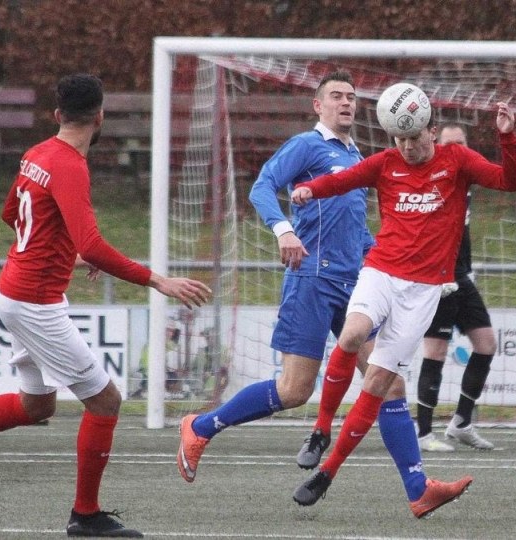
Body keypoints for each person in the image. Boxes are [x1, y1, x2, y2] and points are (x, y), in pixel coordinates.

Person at [0, 73, 212, 538]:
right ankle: (85, 516)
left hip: (14, 292)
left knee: (36, 405)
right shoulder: (69, 165)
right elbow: (93, 242)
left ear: (58, 115)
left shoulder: (37, 154)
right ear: (101, 116)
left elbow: (13, 216)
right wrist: (157, 280)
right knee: (105, 400)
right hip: (35, 302)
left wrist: (67, 252)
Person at [290, 94, 516, 519]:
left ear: (431, 131)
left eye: (414, 138)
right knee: (352, 334)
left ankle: (327, 473)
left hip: (424, 292)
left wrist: (507, 139)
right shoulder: (384, 164)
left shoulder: (457, 161)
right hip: (381, 272)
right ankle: (320, 428)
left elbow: (509, 181)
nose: (408, 147)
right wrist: (310, 188)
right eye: (400, 140)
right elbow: (342, 180)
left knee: (378, 383)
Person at [176, 70, 410, 485]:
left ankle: (417, 486)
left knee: (389, 384)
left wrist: (385, 262)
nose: (346, 103)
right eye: (336, 96)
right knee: (294, 390)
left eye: (352, 97)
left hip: (354, 287)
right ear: (318, 106)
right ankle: (202, 427)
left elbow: (356, 230)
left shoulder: (357, 159)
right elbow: (263, 187)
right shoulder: (307, 145)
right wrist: (284, 230)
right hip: (312, 281)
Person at [416, 123, 496, 453]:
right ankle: (422, 433)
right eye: (450, 145)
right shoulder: (430, 179)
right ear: (436, 144)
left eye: (462, 144)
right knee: (435, 351)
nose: (457, 150)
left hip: (463, 276)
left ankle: (461, 422)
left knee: (486, 344)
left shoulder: (466, 178)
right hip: (438, 277)